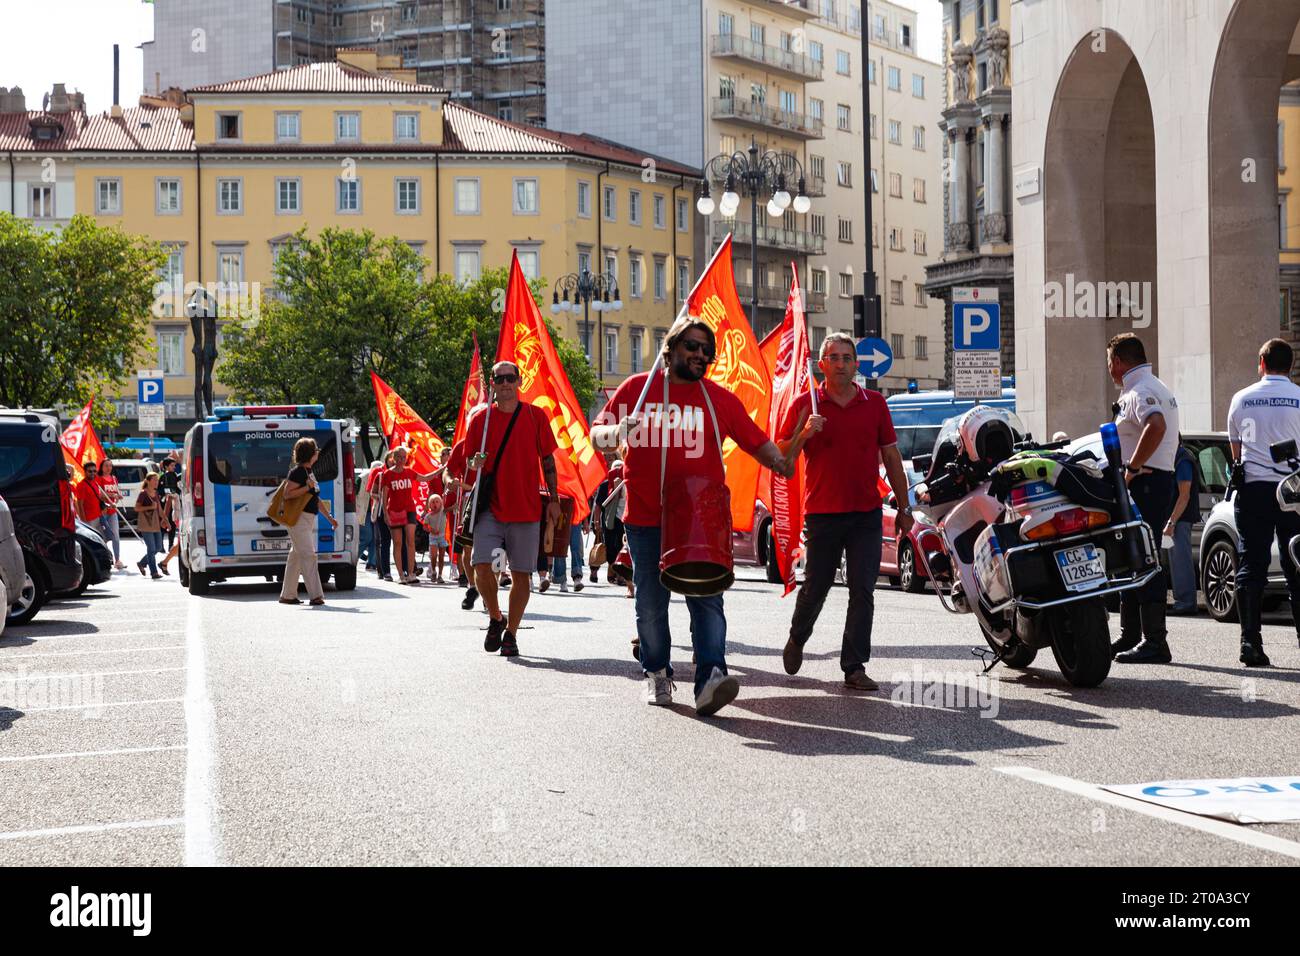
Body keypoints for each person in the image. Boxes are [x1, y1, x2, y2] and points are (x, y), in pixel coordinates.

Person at [592, 316, 795, 716]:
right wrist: (617, 434)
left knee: (707, 599)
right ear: (670, 349)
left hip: (700, 520)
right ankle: (657, 672)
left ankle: (711, 679)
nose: (701, 354)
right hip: (647, 518)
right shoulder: (638, 389)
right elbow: (596, 434)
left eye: (707, 349)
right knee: (651, 604)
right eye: (692, 346)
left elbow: (761, 446)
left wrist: (784, 460)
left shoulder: (718, 399)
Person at [776, 332, 913, 691]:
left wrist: (904, 506)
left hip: (865, 513)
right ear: (821, 365)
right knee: (816, 586)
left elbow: (892, 457)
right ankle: (797, 636)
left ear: (856, 364)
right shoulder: (807, 404)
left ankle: (854, 666)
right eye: (833, 358)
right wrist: (804, 433)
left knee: (862, 589)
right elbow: (780, 458)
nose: (840, 364)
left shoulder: (875, 403)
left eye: (846, 358)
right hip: (822, 513)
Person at [449, 360, 562, 657]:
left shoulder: (536, 416)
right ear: (493, 385)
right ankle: (495, 618)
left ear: (519, 381)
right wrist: (474, 465)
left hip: (526, 509)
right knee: (480, 564)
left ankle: (511, 633)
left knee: (522, 575)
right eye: (500, 379)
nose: (506, 383)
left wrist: (554, 500)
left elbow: (548, 463)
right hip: (491, 507)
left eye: (511, 378)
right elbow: (463, 462)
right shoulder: (481, 422)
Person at [1106, 333, 1181, 665]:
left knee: (1145, 558)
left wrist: (1132, 468)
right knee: (1132, 555)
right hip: (1154, 481)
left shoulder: (1140, 392)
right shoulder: (1153, 386)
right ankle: (1132, 634)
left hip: (1146, 483)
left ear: (1119, 362)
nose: (1109, 368)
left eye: (1109, 362)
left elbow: (1157, 426)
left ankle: (1154, 641)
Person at [1227, 338, 1300, 667]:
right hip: (1294, 489)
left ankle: (1250, 643)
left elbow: (1236, 453)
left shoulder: (1241, 399)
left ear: (1261, 363)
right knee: (1296, 564)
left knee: (1251, 564)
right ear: (1292, 365)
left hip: (1254, 488)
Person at [279, 437, 336, 606]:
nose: (318, 451)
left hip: (306, 518)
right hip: (298, 519)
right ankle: (316, 595)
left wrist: (330, 518)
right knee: (309, 555)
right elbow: (287, 494)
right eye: (316, 449)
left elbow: (315, 499)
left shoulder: (308, 471)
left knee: (296, 556)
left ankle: (288, 595)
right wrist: (307, 487)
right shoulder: (297, 472)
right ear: (311, 454)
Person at [1166, 438, 1201, 616]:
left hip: (1180, 519)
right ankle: (1182, 600)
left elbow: (1184, 495)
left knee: (1181, 560)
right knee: (1175, 560)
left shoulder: (1182, 460)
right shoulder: (1177, 458)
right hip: (1176, 518)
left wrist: (1171, 522)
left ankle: (1186, 602)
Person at [383, 447, 421, 585]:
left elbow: (425, 477)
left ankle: (411, 573)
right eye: (398, 457)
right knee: (397, 543)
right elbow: (384, 495)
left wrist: (442, 469)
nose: (401, 460)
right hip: (394, 511)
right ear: (393, 457)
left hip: (409, 510)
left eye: (403, 457)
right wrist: (385, 514)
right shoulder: (387, 474)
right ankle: (401, 575)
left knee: (410, 541)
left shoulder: (409, 472)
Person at [134, 473, 166, 579]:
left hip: (155, 523)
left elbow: (160, 509)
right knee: (151, 548)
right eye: (154, 480)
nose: (156, 482)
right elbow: (137, 508)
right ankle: (154, 572)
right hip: (146, 524)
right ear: (148, 481)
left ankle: (142, 563)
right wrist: (150, 507)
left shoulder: (156, 493)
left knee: (158, 547)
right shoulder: (143, 494)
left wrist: (166, 520)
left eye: (157, 480)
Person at [96, 459, 126, 569]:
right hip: (102, 511)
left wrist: (117, 497)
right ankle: (105, 558)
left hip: (113, 511)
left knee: (115, 536)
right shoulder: (98, 479)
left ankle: (117, 560)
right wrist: (112, 496)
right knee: (103, 536)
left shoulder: (114, 478)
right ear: (101, 467)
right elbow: (99, 494)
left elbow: (116, 493)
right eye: (106, 466)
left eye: (110, 466)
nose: (108, 468)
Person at [550, 519, 586, 593]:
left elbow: (582, 506)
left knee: (576, 547)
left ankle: (577, 578)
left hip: (576, 518)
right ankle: (562, 580)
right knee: (560, 547)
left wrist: (585, 522)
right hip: (561, 515)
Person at [423, 493, 449, 582]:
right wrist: (432, 530)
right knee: (433, 556)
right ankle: (433, 571)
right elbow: (425, 526)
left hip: (442, 537)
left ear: (441, 503)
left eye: (437, 502)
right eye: (433, 502)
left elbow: (450, 508)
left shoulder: (443, 512)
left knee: (441, 557)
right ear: (430, 505)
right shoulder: (428, 516)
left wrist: (454, 506)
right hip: (433, 538)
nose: (435, 504)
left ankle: (440, 575)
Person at [74, 459, 104, 525]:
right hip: (89, 520)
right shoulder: (81, 485)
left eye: (94, 471)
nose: (93, 473)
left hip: (98, 517)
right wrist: (84, 522)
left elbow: (97, 497)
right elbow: (80, 504)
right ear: (85, 472)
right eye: (90, 471)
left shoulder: (95, 482)